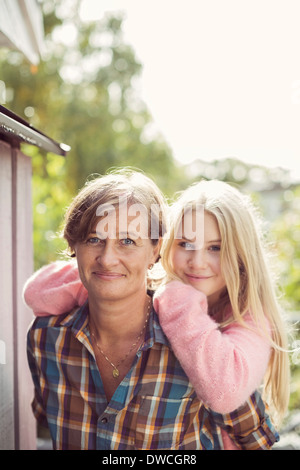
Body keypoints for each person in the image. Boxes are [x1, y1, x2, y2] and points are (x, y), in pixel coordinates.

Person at [25, 169, 279, 450]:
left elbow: (256, 440)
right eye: (93, 239)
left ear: (156, 249)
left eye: (128, 241)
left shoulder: (203, 351)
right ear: (74, 246)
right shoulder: (45, 338)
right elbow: (47, 424)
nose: (108, 258)